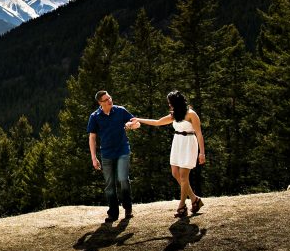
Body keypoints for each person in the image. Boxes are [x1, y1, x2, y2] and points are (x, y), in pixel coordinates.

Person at [126, 90, 206, 218]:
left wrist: (202, 153)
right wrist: (138, 119)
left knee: (184, 176)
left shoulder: (191, 114)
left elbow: (199, 133)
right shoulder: (175, 115)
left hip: (189, 143)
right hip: (178, 143)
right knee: (175, 173)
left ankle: (182, 206)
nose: (169, 105)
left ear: (176, 103)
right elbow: (157, 122)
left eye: (170, 103)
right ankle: (195, 199)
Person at [87, 90, 135, 223]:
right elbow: (92, 137)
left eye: (110, 97)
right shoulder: (95, 116)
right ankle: (113, 213)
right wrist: (93, 157)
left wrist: (133, 125)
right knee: (109, 184)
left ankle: (128, 208)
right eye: (106, 99)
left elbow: (135, 122)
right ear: (100, 103)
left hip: (123, 150)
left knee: (123, 179)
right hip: (106, 154)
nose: (110, 100)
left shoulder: (120, 111)